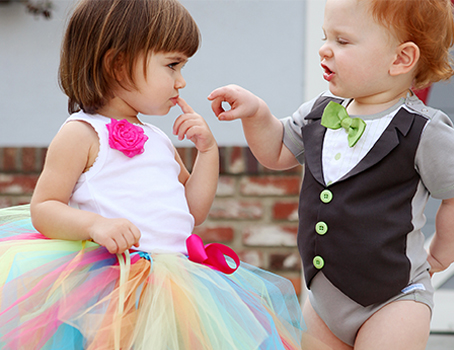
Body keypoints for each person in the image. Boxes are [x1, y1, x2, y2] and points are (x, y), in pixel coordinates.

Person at [0, 0, 307, 349]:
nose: (182, 81)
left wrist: (207, 152)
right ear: (117, 64)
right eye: (173, 65)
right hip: (113, 285)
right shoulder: (82, 134)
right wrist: (95, 225)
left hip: (177, 285)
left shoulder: (159, 140)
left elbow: (193, 212)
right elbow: (45, 208)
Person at [208, 0, 454, 349]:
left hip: (394, 299)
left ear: (400, 59)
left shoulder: (425, 131)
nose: (325, 48)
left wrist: (443, 250)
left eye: (343, 41)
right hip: (324, 302)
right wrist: (257, 114)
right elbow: (278, 150)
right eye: (326, 37)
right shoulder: (320, 111)